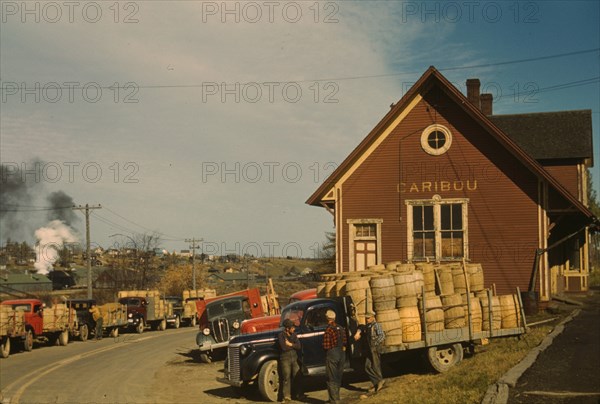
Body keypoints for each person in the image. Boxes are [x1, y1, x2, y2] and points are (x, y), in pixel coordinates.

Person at [354, 311, 385, 393]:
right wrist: (358, 332)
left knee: (376, 366)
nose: (366, 319)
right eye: (366, 318)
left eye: (368, 318)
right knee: (367, 367)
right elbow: (361, 327)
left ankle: (380, 383)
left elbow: (382, 336)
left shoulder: (376, 325)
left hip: (374, 349)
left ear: (373, 317)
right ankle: (377, 382)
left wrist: (374, 344)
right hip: (369, 349)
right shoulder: (368, 326)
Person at [322, 309, 347, 404]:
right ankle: (337, 397)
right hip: (341, 353)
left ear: (327, 318)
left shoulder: (328, 330)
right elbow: (345, 342)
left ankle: (334, 400)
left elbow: (326, 346)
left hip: (332, 354)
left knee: (331, 377)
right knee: (338, 376)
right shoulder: (340, 328)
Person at [278, 319, 302, 402]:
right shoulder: (281, 335)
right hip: (285, 358)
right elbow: (283, 348)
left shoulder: (294, 334)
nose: (294, 329)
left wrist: (290, 344)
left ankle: (298, 394)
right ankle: (286, 397)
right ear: (287, 328)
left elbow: (299, 346)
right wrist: (293, 345)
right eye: (292, 328)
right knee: (286, 377)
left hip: (294, 357)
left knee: (297, 375)